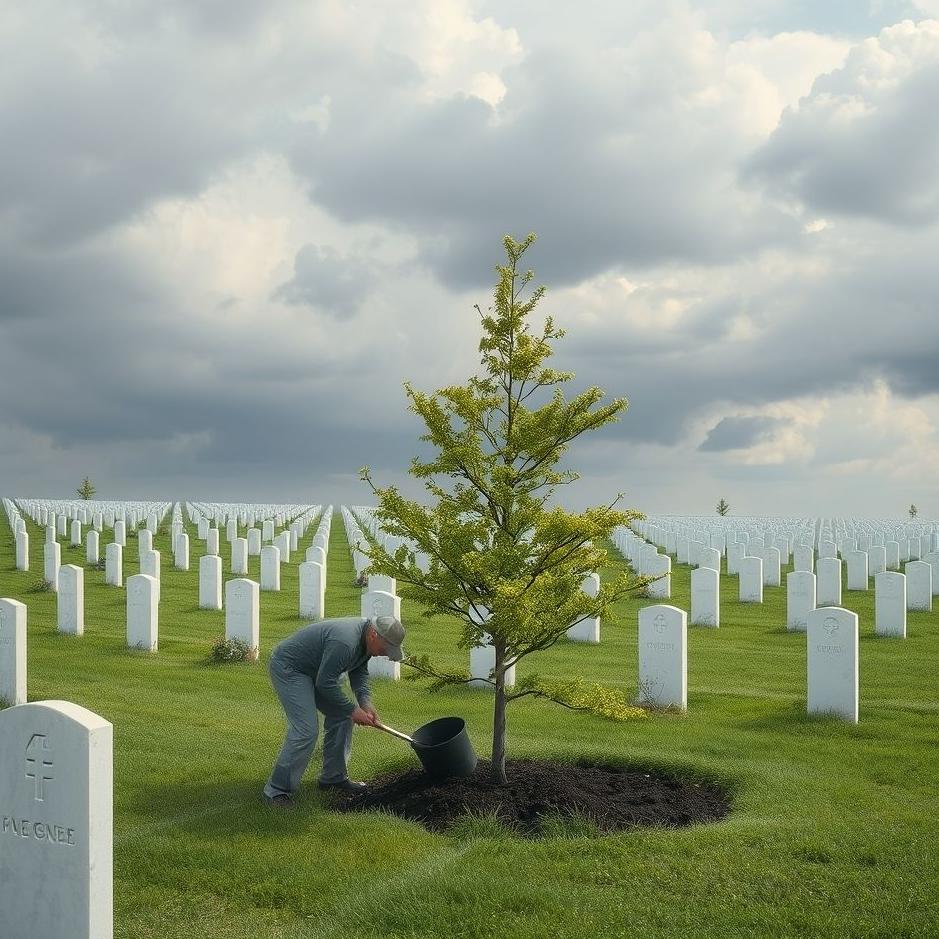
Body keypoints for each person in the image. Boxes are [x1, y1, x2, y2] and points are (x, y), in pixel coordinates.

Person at [262, 614, 406, 808]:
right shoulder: (345, 642)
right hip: (292, 668)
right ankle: (276, 791)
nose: (385, 654)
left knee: (342, 717)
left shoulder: (366, 641)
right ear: (373, 634)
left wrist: (365, 703)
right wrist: (352, 709)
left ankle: (333, 778)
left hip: (319, 669)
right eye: (385, 648)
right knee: (306, 731)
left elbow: (359, 671)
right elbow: (325, 683)